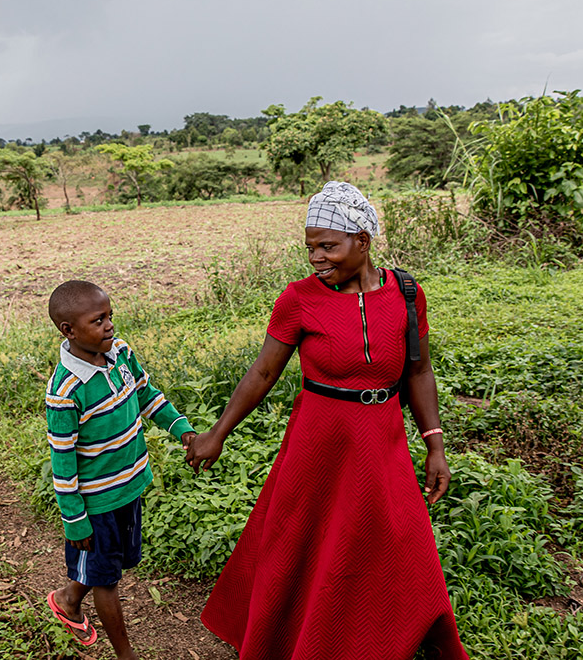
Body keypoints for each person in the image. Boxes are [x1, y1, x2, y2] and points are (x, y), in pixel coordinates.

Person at [185, 181, 470, 660]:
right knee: (306, 540)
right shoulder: (298, 299)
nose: (316, 257)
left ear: (363, 240)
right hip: (320, 440)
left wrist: (435, 444)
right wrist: (218, 432)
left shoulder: (405, 293)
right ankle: (296, 634)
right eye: (311, 247)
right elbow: (263, 371)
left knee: (395, 538)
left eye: (328, 246)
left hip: (381, 438)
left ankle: (387, 636)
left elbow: (419, 369)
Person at [44, 280, 197, 659]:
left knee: (110, 564)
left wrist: (181, 428)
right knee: (108, 580)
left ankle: (66, 599)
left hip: (129, 487)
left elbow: (147, 394)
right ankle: (126, 654)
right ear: (69, 331)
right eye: (98, 320)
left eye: (110, 316)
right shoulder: (65, 393)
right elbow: (62, 464)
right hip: (95, 506)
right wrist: (74, 519)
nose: (110, 326)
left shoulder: (121, 353)